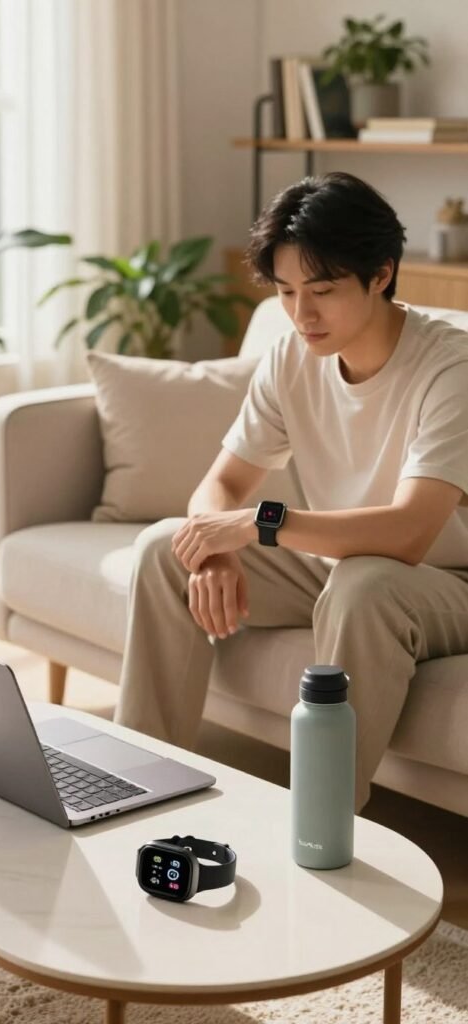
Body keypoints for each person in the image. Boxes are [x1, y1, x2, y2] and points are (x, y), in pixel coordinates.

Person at [114, 170, 468, 811]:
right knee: (170, 549)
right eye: (286, 291)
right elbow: (220, 483)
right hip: (335, 564)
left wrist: (259, 523)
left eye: (323, 291)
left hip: (445, 580)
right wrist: (215, 548)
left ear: (382, 275)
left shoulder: (451, 368)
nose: (302, 314)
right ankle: (136, 790)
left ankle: (321, 824)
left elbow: (411, 530)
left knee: (365, 585)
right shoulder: (291, 355)